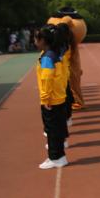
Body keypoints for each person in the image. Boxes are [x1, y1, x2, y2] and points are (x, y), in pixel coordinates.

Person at [35, 25, 69, 169]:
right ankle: (59, 155)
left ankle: (55, 157)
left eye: (36, 39)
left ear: (43, 40)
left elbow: (47, 79)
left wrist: (45, 98)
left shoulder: (47, 57)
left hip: (51, 99)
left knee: (52, 129)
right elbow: (64, 75)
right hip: (59, 96)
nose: (35, 42)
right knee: (58, 128)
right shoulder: (55, 54)